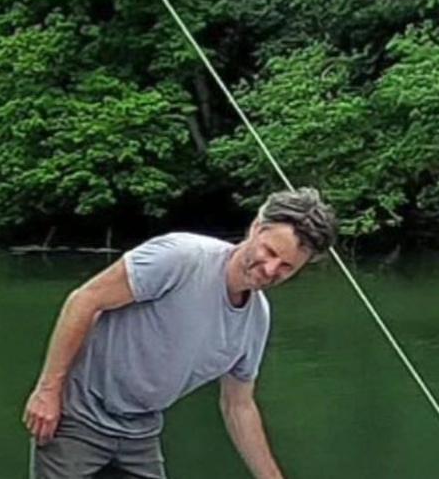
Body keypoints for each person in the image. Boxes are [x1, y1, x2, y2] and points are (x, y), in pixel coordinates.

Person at [23, 187, 338, 478]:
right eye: (269, 252)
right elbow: (85, 300)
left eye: (286, 267)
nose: (271, 270)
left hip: (141, 431)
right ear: (257, 227)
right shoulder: (181, 258)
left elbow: (238, 405)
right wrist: (48, 391)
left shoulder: (257, 319)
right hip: (77, 418)